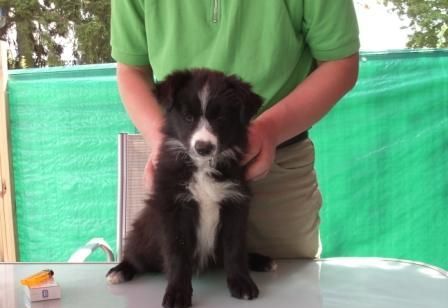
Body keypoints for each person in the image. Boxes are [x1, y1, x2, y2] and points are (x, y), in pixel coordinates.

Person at [110, 0, 360, 259]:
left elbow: (340, 62)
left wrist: (271, 129)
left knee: (287, 287)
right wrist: (159, 139)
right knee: (169, 282)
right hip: (179, 162)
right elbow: (131, 68)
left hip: (276, 173)